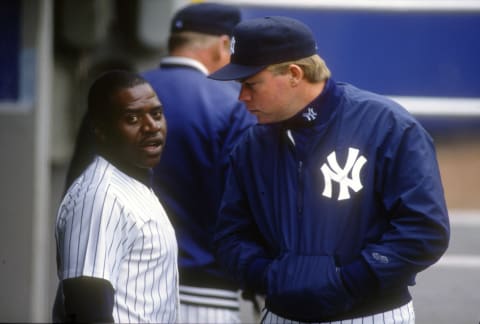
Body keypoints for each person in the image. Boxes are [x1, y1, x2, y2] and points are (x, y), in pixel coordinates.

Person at [209, 16, 450, 323]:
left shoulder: (388, 126)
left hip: (371, 314)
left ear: (294, 73)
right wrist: (270, 277)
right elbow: (230, 236)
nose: (242, 96)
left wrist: (349, 281)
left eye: (251, 84)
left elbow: (424, 230)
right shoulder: (252, 145)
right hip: (281, 314)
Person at [141, 3, 257, 323]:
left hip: (124, 294)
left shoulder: (117, 96)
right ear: (223, 45)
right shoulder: (233, 105)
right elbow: (247, 208)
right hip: (207, 298)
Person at [53, 70, 178, 323]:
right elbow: (87, 309)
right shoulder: (100, 197)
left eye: (156, 114)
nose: (151, 126)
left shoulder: (133, 184)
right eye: (132, 117)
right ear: (101, 130)